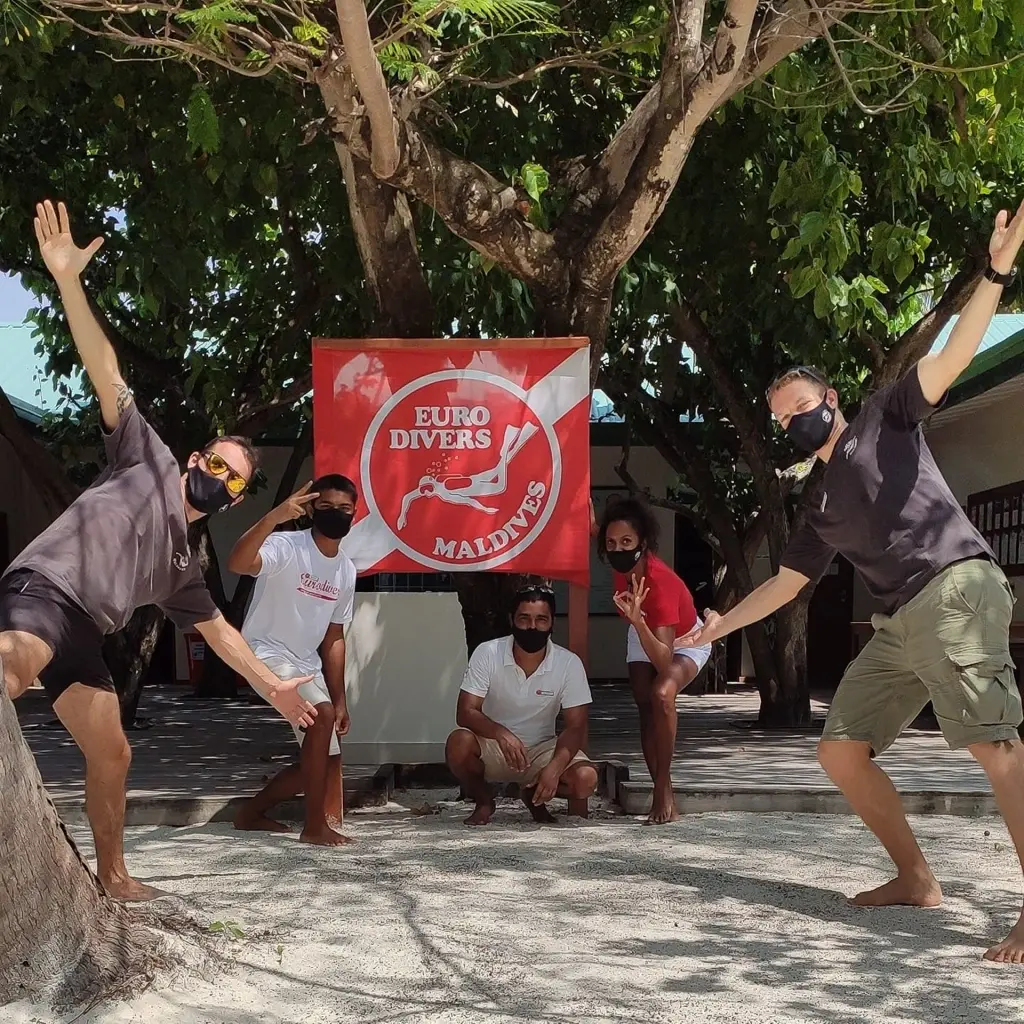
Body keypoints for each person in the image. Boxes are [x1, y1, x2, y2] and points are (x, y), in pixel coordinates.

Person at [677, 201, 1024, 963]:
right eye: (781, 419)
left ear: (829, 400)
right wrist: (717, 627)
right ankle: (915, 876)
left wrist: (995, 271)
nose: (794, 423)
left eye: (801, 408)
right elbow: (786, 586)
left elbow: (956, 354)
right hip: (902, 620)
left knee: (994, 747)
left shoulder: (883, 417)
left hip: (955, 586)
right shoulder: (818, 504)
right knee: (840, 750)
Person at [0, 201, 316, 901]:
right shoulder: (144, 455)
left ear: (233, 501)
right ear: (198, 456)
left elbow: (219, 634)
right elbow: (102, 366)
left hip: (88, 632)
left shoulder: (184, 567)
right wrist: (67, 283)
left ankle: (112, 877)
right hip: (46, 589)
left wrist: (272, 687)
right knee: (10, 672)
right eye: (221, 461)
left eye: (235, 480)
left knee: (113, 751)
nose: (224, 477)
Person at [228, 475, 359, 847]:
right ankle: (313, 827)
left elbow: (334, 638)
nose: (336, 514)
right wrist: (273, 517)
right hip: (264, 653)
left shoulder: (346, 570)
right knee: (320, 723)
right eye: (327, 507)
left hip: (305, 667)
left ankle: (250, 814)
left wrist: (340, 698)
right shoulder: (285, 545)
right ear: (312, 509)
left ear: (354, 513)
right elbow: (238, 562)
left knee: (322, 760)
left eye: (344, 509)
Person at [596, 497, 712, 825]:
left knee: (662, 694)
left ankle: (662, 789)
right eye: (611, 543)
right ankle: (665, 787)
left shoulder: (658, 583)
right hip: (643, 625)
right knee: (644, 704)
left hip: (685, 639)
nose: (618, 548)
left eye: (627, 542)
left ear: (642, 543)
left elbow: (665, 660)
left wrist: (638, 622)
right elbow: (602, 534)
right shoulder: (620, 560)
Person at [445, 584, 598, 826]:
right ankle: (484, 800)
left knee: (585, 778)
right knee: (457, 743)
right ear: (511, 619)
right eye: (524, 618)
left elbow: (575, 727)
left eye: (541, 619)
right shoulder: (488, 652)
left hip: (541, 750)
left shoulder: (569, 663)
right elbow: (465, 712)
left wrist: (554, 769)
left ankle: (532, 795)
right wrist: (501, 734)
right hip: (493, 747)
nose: (532, 626)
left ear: (552, 623)